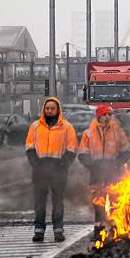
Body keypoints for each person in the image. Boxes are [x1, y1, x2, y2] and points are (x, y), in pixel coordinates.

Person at [25, 97, 78, 243]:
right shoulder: (35, 126)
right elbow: (30, 147)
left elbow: (72, 148)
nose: (49, 111)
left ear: (57, 110)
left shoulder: (67, 127)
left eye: (52, 108)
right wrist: (36, 164)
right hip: (39, 169)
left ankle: (58, 231)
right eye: (47, 108)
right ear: (44, 109)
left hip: (58, 170)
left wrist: (63, 164)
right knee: (39, 202)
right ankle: (39, 231)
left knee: (57, 201)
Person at [78, 104, 130, 240]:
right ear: (98, 116)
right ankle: (99, 232)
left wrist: (117, 164)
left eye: (109, 114)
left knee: (115, 202)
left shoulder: (117, 132)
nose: (107, 117)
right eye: (104, 115)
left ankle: (115, 231)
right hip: (96, 173)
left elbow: (126, 152)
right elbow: (82, 154)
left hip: (114, 173)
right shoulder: (88, 133)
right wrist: (92, 166)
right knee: (98, 204)